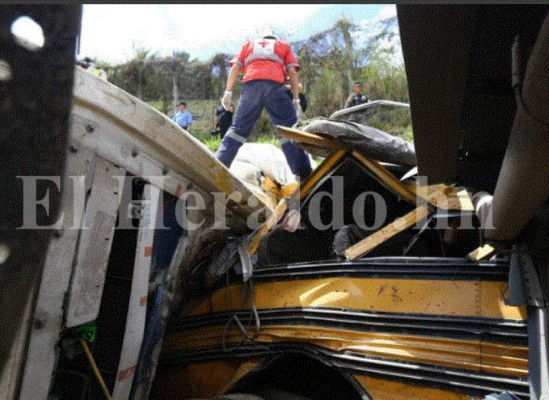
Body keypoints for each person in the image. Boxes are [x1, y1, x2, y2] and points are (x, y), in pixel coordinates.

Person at [214, 35, 313, 180]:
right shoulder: (283, 46)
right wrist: (296, 100)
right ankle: (304, 174)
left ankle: (218, 164)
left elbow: (236, 67)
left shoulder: (248, 45)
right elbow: (292, 72)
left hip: (251, 87)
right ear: (275, 40)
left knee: (238, 129)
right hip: (276, 88)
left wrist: (228, 92)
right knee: (289, 130)